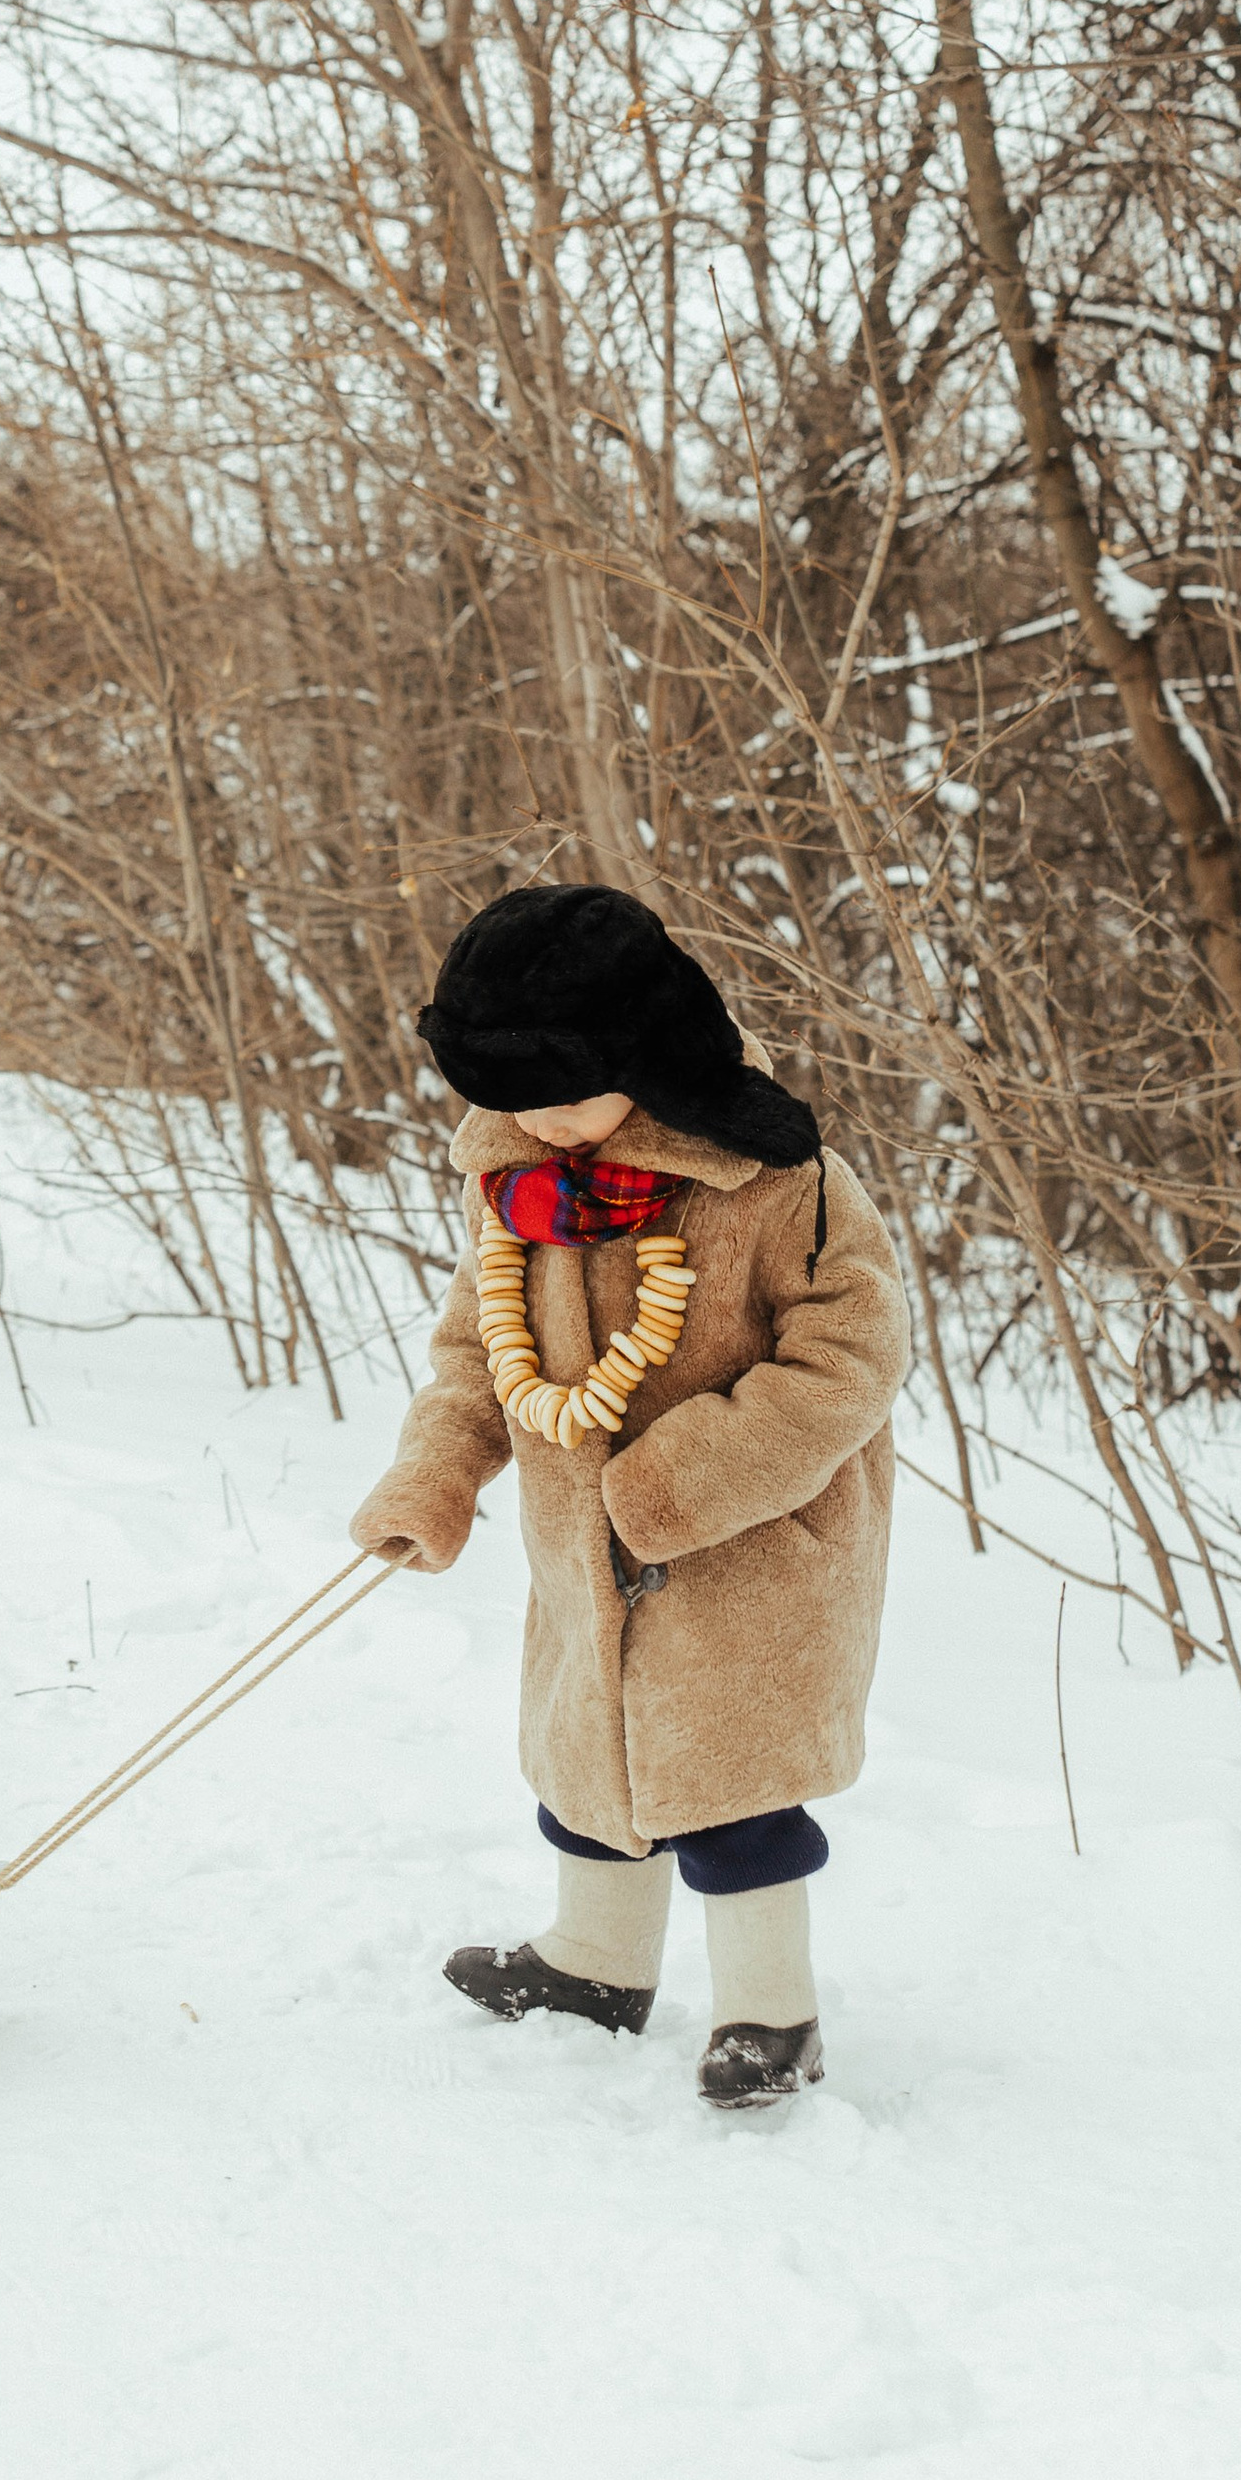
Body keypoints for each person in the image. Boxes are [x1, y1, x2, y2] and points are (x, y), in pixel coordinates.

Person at [350, 887, 910, 2109]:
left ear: (640, 1049)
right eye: (504, 1089)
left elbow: (850, 1361)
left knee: (731, 1789)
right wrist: (434, 1478)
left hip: (749, 1551)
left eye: (557, 1085)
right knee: (586, 1764)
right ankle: (595, 1964)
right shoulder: (513, 1185)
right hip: (579, 1549)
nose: (533, 1117)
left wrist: (672, 1484)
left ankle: (773, 2013)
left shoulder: (775, 1181)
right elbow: (474, 1354)